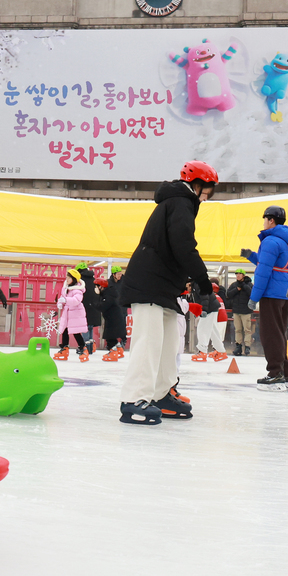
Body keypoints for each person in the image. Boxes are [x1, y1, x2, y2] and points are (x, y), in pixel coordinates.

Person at [116, 161, 220, 425]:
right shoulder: (181, 202)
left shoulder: (180, 202)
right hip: (149, 283)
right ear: (195, 185)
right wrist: (202, 279)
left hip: (164, 286)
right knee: (149, 342)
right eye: (206, 190)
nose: (206, 196)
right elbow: (183, 245)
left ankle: (161, 394)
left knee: (168, 342)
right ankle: (133, 399)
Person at [242, 204, 288, 390]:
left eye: (265, 219)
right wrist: (252, 256)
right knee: (278, 332)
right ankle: (285, 369)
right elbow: (272, 263)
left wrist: (254, 297)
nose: (264, 222)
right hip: (282, 291)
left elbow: (264, 271)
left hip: (271, 292)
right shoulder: (284, 240)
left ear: (271, 220)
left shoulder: (270, 241)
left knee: (270, 334)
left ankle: (275, 372)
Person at [53, 269, 91, 361]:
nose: (67, 279)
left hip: (76, 313)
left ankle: (83, 348)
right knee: (65, 330)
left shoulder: (78, 290)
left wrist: (66, 300)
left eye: (69, 277)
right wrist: (60, 303)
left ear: (74, 279)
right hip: (67, 313)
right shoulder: (66, 288)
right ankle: (64, 347)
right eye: (67, 277)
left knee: (76, 332)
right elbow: (63, 297)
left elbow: (76, 300)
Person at [191, 283, 230, 361]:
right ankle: (220, 351)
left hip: (209, 308)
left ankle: (202, 351)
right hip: (212, 307)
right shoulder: (197, 283)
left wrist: (203, 310)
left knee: (202, 328)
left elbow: (204, 297)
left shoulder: (197, 285)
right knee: (212, 330)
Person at [224, 267, 254, 356]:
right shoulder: (234, 285)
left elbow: (252, 293)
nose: (238, 275)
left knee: (247, 329)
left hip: (246, 311)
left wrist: (243, 286)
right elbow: (228, 295)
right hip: (236, 311)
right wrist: (237, 289)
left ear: (243, 275)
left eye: (239, 274)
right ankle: (238, 346)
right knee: (238, 329)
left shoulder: (249, 284)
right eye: (236, 274)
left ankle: (247, 346)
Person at [100, 267, 127, 357]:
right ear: (113, 274)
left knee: (120, 327)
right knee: (110, 328)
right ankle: (115, 345)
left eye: (121, 274)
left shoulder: (124, 282)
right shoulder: (108, 283)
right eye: (118, 274)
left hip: (121, 308)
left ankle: (120, 343)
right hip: (111, 310)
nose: (120, 276)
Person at [78, 262, 102, 353]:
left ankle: (86, 348)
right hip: (95, 308)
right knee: (90, 327)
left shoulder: (81, 282)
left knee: (84, 327)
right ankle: (90, 347)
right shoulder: (94, 280)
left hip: (85, 308)